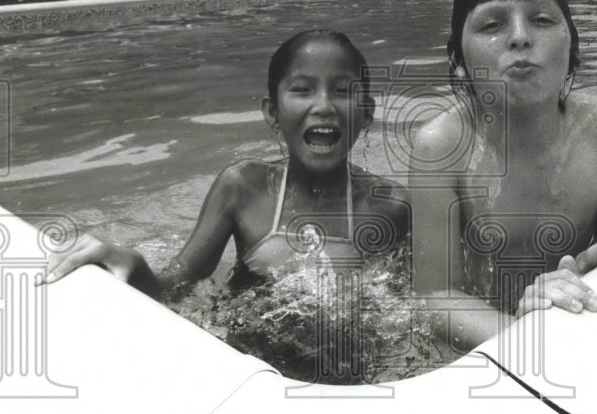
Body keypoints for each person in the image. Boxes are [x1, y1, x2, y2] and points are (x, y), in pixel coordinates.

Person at [44, 30, 411, 297]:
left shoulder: (389, 205)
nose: (324, 105)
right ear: (272, 112)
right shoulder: (243, 187)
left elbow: (411, 307)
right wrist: (129, 260)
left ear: (366, 114)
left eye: (343, 90)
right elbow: (175, 288)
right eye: (302, 89)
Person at [408, 0, 597, 352]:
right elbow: (435, 299)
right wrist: (523, 333)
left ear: (572, 46)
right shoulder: (441, 145)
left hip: (565, 305)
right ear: (459, 62)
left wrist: (595, 258)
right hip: (487, 338)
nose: (520, 37)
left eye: (542, 20)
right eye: (491, 25)